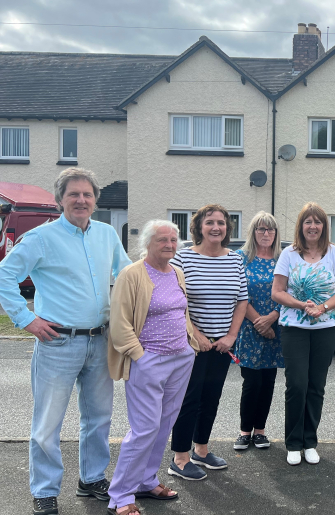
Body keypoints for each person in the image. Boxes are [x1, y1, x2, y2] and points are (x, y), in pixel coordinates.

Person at [0, 168, 131, 515]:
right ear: (60, 200)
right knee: (47, 424)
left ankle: (92, 479)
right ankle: (45, 491)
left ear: (95, 200)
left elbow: (126, 274)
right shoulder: (40, 238)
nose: (81, 200)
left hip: (100, 341)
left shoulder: (106, 234)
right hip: (57, 343)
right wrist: (26, 319)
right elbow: (4, 275)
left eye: (87, 194)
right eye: (73, 194)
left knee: (99, 418)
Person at [106, 220, 200, 515]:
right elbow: (119, 322)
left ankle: (146, 481)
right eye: (162, 240)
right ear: (148, 243)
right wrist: (140, 356)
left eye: (173, 240)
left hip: (180, 359)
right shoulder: (132, 274)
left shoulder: (176, 272)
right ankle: (121, 495)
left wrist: (190, 345)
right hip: (148, 360)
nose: (170, 245)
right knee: (145, 428)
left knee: (163, 425)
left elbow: (182, 311)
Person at [168, 205, 248, 481]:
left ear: (228, 228)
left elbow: (242, 301)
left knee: (211, 397)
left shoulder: (235, 260)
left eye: (221, 223)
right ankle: (180, 458)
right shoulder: (182, 258)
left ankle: (201, 450)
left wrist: (231, 336)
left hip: (222, 345)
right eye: (210, 222)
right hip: (190, 344)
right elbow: (175, 301)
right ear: (199, 227)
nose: (216, 227)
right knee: (188, 399)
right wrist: (196, 334)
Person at [272, 202, 335, 466]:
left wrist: (323, 307)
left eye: (318, 222)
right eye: (308, 222)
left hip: (326, 328)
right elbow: (277, 292)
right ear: (301, 226)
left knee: (316, 385)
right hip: (294, 327)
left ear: (324, 227)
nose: (313, 226)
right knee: (297, 384)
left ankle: (310, 442)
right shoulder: (289, 254)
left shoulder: (334, 253)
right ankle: (293, 443)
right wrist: (301, 305)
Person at [233, 212, 283, 451]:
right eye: (261, 229)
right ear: (253, 232)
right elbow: (237, 293)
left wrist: (272, 318)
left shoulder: (283, 258)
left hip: (276, 327)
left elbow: (290, 291)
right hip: (248, 327)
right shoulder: (240, 258)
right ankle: (245, 431)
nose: (266, 233)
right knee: (251, 382)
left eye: (270, 229)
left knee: (268, 381)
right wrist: (259, 323)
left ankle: (260, 431)